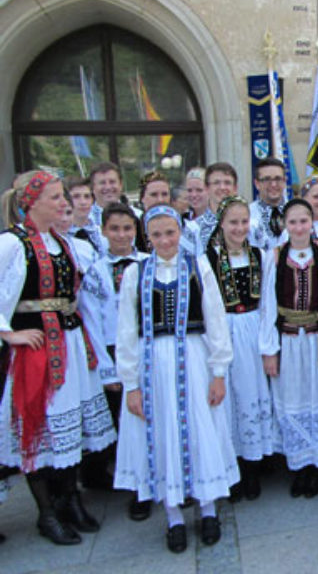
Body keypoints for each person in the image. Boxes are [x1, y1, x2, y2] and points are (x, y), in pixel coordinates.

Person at [0, 171, 116, 545]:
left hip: (69, 346)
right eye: (54, 197)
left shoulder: (62, 242)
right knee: (40, 430)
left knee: (71, 428)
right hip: (36, 353)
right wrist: (9, 332)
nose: (63, 203)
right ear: (31, 203)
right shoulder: (13, 244)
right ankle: (46, 513)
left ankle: (69, 499)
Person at [114, 204, 238, 554]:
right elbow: (126, 330)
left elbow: (216, 319)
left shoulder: (198, 266)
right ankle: (174, 517)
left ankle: (209, 508)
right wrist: (131, 383)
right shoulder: (135, 274)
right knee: (163, 433)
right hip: (153, 363)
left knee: (202, 431)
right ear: (147, 237)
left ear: (180, 232)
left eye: (171, 232)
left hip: (195, 360)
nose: (165, 240)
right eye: (157, 234)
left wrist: (219, 372)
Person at [262, 199, 318, 499]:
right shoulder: (273, 258)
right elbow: (267, 309)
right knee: (294, 398)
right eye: (293, 223)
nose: (299, 228)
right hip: (289, 342)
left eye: (303, 221)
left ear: (312, 223)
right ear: (285, 226)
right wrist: (269, 351)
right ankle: (299, 465)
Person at [79, 202, 149, 515]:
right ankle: (138, 488)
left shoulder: (149, 264)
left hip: (148, 349)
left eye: (127, 228)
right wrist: (108, 371)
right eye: (115, 229)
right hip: (113, 351)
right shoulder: (96, 272)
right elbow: (92, 321)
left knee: (154, 417)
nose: (121, 235)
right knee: (129, 423)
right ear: (104, 231)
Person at [205, 196, 274, 502]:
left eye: (244, 222)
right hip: (222, 330)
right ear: (221, 224)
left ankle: (253, 466)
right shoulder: (207, 258)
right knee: (227, 399)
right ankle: (229, 468)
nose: (239, 228)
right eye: (233, 222)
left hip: (253, 328)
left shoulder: (260, 255)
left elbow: (269, 301)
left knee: (252, 393)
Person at [195, 162, 238, 250]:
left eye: (227, 183)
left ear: (235, 188)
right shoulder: (194, 229)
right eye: (216, 183)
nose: (222, 187)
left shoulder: (251, 227)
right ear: (206, 188)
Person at [250, 157, 287, 251]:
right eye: (267, 179)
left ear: (284, 181)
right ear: (257, 183)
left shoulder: (297, 212)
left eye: (278, 179)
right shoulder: (247, 215)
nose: (273, 184)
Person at [88, 162, 140, 226]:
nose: (108, 187)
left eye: (112, 182)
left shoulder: (137, 216)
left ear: (121, 185)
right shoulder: (83, 220)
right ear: (92, 187)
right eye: (102, 183)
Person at [65, 177, 104, 252]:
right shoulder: (61, 235)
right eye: (76, 197)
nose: (83, 202)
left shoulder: (100, 233)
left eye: (87, 196)